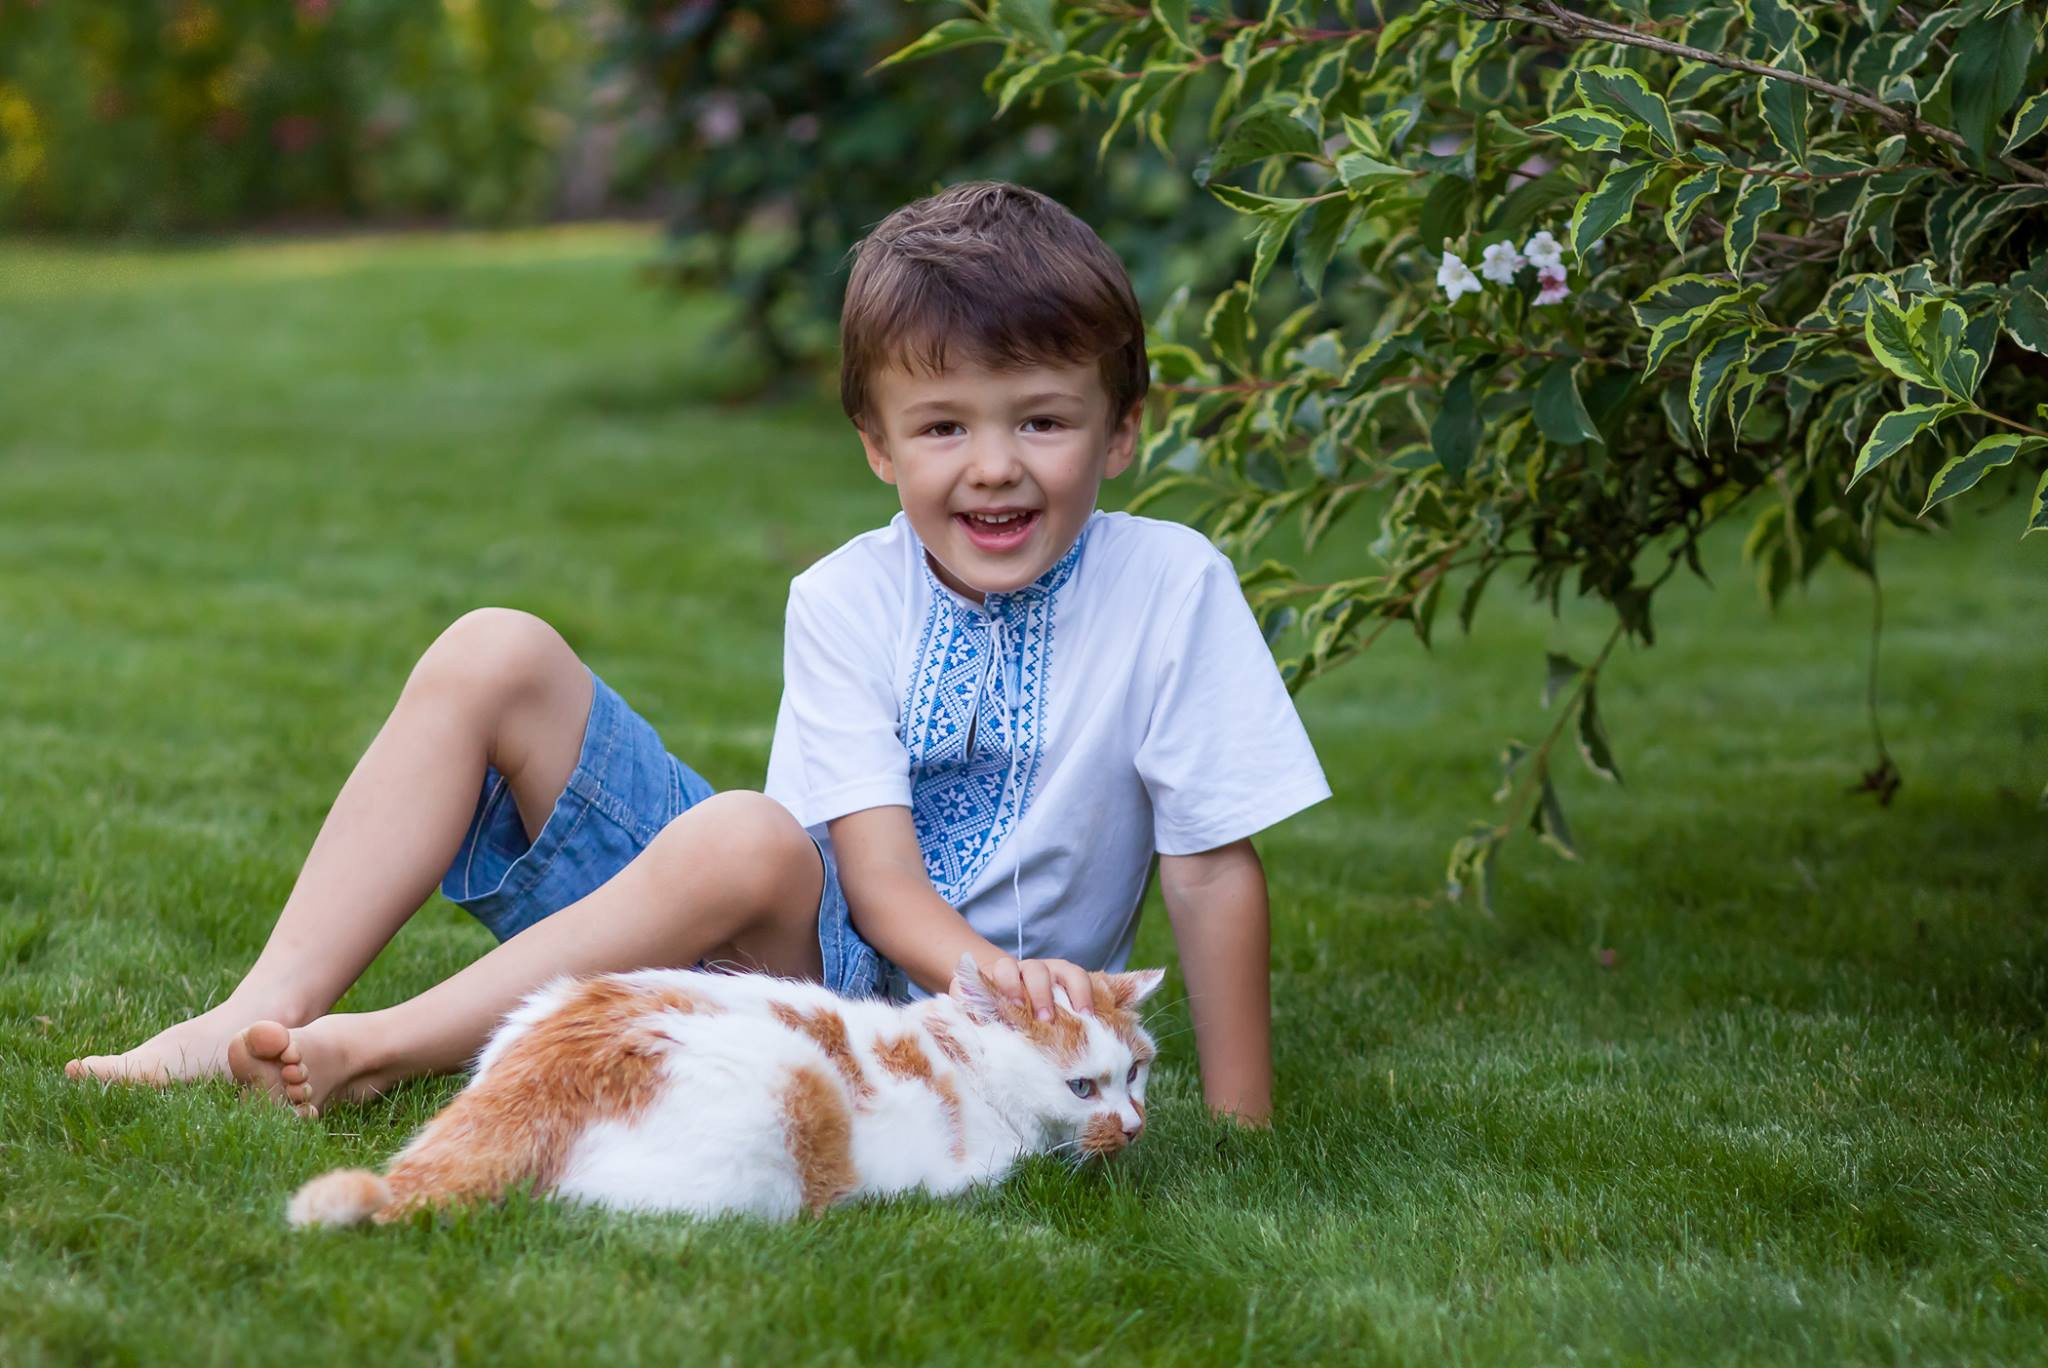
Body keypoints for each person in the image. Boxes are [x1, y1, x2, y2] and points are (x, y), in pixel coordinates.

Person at [65, 181, 1328, 1124]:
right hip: (796, 960)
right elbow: (878, 888)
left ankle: (387, 1046)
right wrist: (1002, 969)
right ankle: (260, 1010)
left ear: (1119, 430)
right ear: (877, 445)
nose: (993, 465)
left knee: (742, 838)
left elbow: (1209, 868)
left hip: (935, 1043)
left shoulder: (1171, 591)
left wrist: (1240, 1124)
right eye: (943, 427)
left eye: (1041, 421)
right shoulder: (846, 596)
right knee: (496, 653)